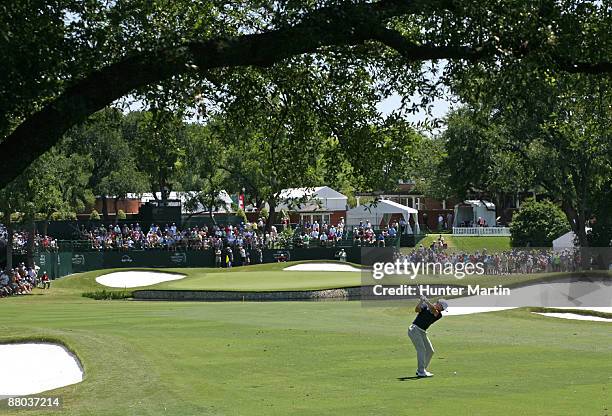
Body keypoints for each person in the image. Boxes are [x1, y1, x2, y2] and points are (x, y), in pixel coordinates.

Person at [408, 296, 448, 377]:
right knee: (421, 350)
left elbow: (433, 311)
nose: (442, 310)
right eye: (442, 308)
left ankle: (422, 369)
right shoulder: (425, 306)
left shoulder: (439, 314)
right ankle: (421, 371)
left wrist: (426, 301)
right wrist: (421, 302)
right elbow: (417, 310)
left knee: (430, 351)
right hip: (414, 329)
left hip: (422, 332)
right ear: (438, 304)